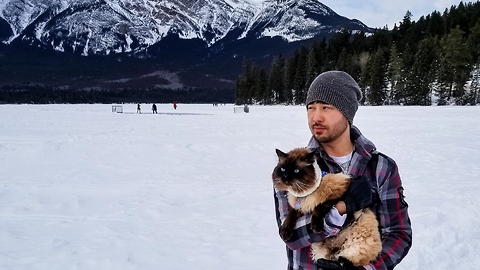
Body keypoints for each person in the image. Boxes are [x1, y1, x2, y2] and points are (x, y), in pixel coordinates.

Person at [274, 70, 412, 270]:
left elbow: (399, 234)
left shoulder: (381, 168)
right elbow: (291, 236)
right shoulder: (291, 169)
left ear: (347, 112)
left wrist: (365, 268)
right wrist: (339, 211)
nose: (316, 117)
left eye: (326, 107)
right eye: (310, 108)